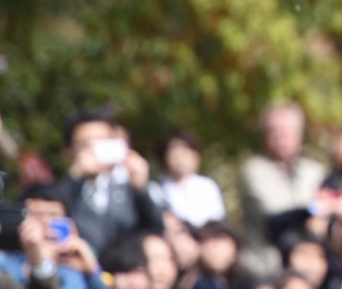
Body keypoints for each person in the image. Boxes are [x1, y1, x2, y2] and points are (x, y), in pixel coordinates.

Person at [54, 111, 164, 256]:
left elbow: (155, 230)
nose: (95, 150)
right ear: (68, 151)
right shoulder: (64, 187)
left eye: (102, 141)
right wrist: (75, 176)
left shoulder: (129, 187)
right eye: (86, 144)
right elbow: (53, 212)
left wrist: (141, 190)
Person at [238, 103, 325, 277]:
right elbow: (277, 216)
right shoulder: (254, 170)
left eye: (287, 131)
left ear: (299, 136)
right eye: (274, 131)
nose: (281, 137)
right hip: (267, 266)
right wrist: (316, 209)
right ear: (265, 136)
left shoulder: (314, 170)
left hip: (311, 264)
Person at [0, 183, 105, 289]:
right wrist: (38, 261)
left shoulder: (78, 267)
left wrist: (92, 270)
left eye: (54, 215)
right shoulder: (6, 264)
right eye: (38, 215)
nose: (46, 221)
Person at [155, 131, 227, 228]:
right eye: (176, 154)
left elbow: (218, 219)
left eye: (186, 154)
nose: (181, 160)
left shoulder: (207, 186)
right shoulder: (157, 188)